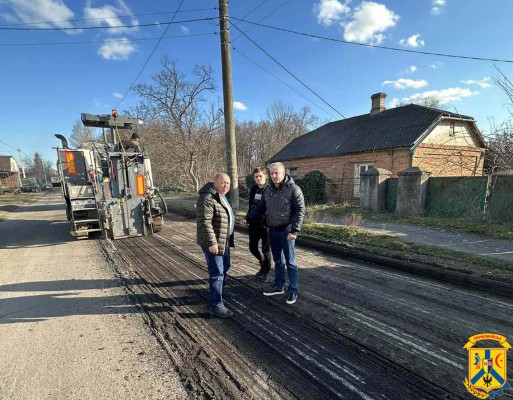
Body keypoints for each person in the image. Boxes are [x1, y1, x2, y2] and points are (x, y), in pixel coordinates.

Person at [247, 162, 305, 305]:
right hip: (272, 231)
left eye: (276, 173)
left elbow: (300, 210)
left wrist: (295, 230)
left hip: (287, 232)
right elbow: (260, 208)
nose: (273, 176)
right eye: (271, 173)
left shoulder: (293, 189)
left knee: (291, 263)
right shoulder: (268, 191)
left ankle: (293, 290)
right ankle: (279, 286)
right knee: (278, 261)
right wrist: (248, 218)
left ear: (284, 173)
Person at [196, 173, 235, 318]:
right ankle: (216, 305)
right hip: (214, 243)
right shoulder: (207, 198)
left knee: (225, 268)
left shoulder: (223, 197)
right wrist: (212, 243)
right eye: (223, 183)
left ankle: (219, 294)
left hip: (224, 241)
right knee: (217, 273)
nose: (226, 186)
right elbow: (204, 222)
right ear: (215, 182)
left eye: (228, 184)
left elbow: (226, 216)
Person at [247, 167, 272, 281]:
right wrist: (247, 218)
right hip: (253, 224)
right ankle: (262, 264)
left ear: (265, 176)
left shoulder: (270, 190)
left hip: (266, 225)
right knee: (252, 248)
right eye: (256, 177)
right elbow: (251, 206)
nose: (258, 178)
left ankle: (266, 271)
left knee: (266, 250)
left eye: (260, 176)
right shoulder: (253, 189)